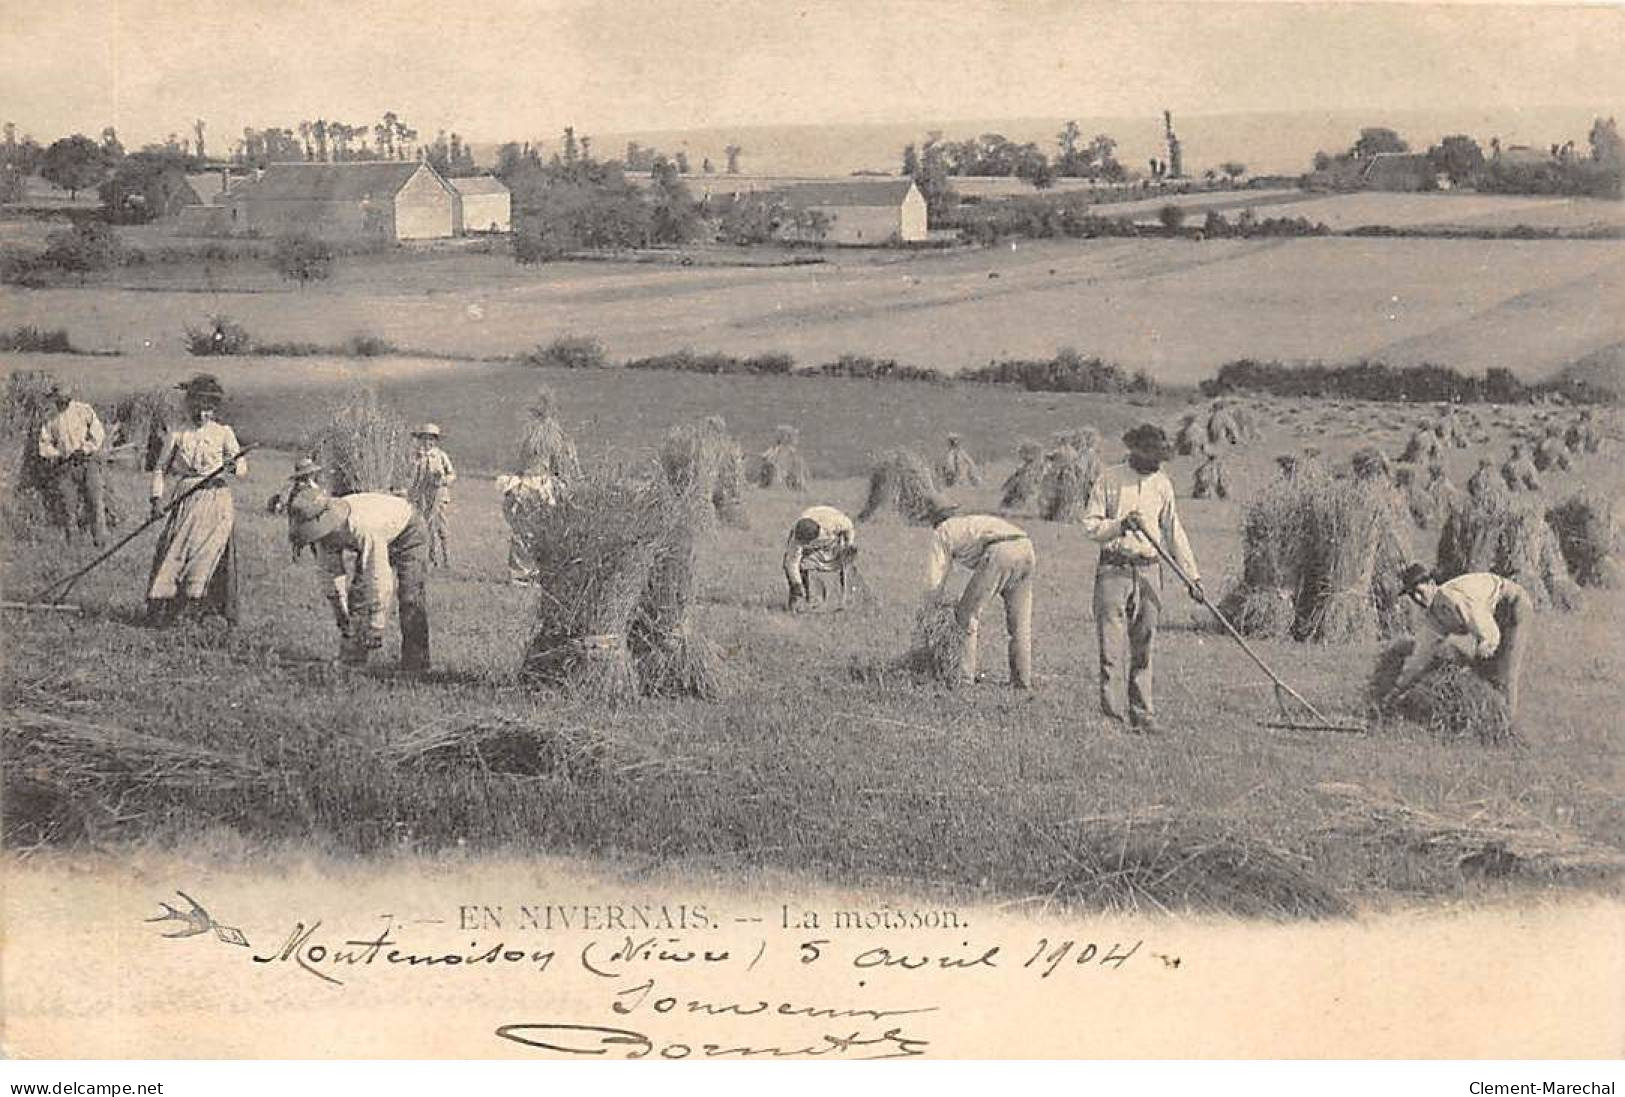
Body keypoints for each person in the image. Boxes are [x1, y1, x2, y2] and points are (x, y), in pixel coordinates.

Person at [1081, 424, 1203, 733]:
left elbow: (1174, 531)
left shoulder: (1162, 484)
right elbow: (1090, 526)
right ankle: (1111, 717)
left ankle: (1143, 715)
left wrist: (1193, 577)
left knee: (1144, 649)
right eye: (1152, 457)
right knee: (1111, 651)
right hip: (1113, 570)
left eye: (1160, 458)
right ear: (1135, 451)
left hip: (1149, 570)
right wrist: (1120, 526)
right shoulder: (1109, 479)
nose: (1157, 463)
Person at [286, 479, 430, 672]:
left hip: (409, 529)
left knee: (410, 598)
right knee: (359, 595)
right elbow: (330, 574)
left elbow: (378, 575)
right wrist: (341, 615)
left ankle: (416, 666)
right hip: (380, 531)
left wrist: (377, 625)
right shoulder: (323, 535)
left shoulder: (362, 526)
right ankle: (353, 660)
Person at [145, 374, 246, 626]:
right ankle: (168, 608)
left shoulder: (224, 433)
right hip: (187, 499)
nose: (204, 415)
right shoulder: (178, 433)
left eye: (209, 409)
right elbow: (160, 469)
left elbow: (242, 467)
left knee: (211, 553)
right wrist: (156, 500)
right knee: (177, 550)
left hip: (217, 500)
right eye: (199, 409)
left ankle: (206, 611)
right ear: (191, 406)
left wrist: (234, 466)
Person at [1388, 564, 1533, 720]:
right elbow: (1420, 656)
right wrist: (1398, 689)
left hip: (1512, 604)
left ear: (1431, 584)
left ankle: (1507, 729)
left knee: (1504, 674)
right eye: (1411, 595)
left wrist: (1485, 647)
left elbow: (1489, 633)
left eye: (1419, 591)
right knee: (1484, 673)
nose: (1417, 598)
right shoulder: (1433, 617)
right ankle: (1488, 722)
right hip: (1491, 612)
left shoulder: (1451, 597)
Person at [923, 499, 1034, 690]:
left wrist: (930, 607)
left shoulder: (942, 531)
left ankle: (964, 679)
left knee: (966, 615)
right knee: (1019, 625)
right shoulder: (970, 523)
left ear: (934, 520)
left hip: (1001, 552)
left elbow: (936, 576)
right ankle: (1022, 682)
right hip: (1026, 549)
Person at [36, 380, 108, 547]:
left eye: (64, 397)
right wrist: (59, 454)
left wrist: (86, 448)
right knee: (69, 507)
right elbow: (44, 445)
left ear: (69, 397)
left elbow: (98, 432)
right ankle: (73, 545)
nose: (62, 401)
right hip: (65, 466)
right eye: (58, 398)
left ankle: (100, 542)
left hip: (87, 462)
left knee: (95, 501)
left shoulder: (83, 410)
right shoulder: (50, 418)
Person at [783, 504, 856, 611]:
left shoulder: (834, 523)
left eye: (806, 542)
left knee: (843, 563)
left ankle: (844, 599)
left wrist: (849, 544)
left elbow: (849, 527)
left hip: (832, 540)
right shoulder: (797, 536)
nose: (803, 543)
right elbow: (792, 562)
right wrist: (796, 584)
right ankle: (807, 599)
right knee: (803, 565)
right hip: (814, 545)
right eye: (803, 542)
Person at [496, 467, 558, 585]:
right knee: (519, 546)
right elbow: (509, 515)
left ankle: (535, 576)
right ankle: (519, 576)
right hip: (523, 526)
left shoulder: (534, 489)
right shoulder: (510, 500)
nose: (511, 494)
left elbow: (549, 504)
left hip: (537, 523)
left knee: (535, 547)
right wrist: (518, 527)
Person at [407, 422, 457, 567]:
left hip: (439, 495)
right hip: (422, 495)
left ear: (435, 441)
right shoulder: (417, 457)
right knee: (425, 526)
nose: (427, 442)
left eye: (431, 439)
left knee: (441, 526)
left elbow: (452, 474)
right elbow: (412, 476)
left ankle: (447, 557)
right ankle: (431, 558)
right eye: (424, 439)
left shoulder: (441, 456)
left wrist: (443, 480)